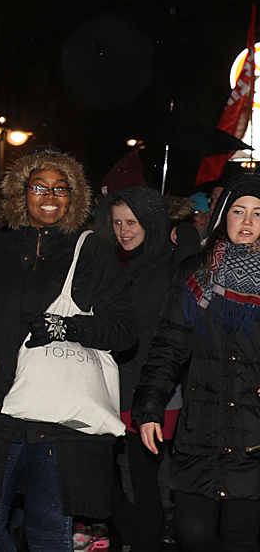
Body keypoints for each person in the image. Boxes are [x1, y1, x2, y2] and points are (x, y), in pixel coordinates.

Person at [0, 150, 136, 552]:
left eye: (60, 188)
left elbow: (124, 330)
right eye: (39, 187)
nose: (50, 195)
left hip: (58, 413)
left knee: (48, 530)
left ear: (73, 197)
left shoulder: (92, 252)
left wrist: (67, 327)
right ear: (22, 193)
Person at [133, 172, 260, 552]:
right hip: (201, 428)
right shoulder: (195, 272)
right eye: (238, 211)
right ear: (223, 216)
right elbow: (169, 344)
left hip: (254, 433)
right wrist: (150, 406)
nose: (248, 221)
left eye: (258, 213)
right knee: (192, 534)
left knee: (241, 540)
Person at [95, 187, 195, 552]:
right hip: (116, 384)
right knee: (99, 470)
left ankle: (142, 542)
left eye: (132, 222)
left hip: (156, 390)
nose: (123, 231)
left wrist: (185, 230)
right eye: (117, 222)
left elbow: (193, 262)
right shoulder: (121, 263)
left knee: (143, 479)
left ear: (152, 222)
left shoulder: (170, 262)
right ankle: (133, 533)